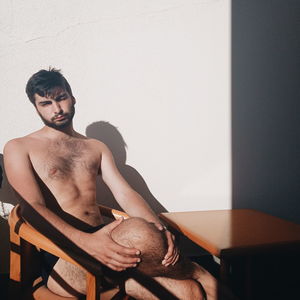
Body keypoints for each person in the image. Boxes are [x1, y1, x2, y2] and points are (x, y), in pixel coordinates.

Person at [4, 68, 217, 299]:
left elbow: (124, 193)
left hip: (107, 244)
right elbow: (32, 207)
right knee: (139, 232)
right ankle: (198, 271)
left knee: (190, 293)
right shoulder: (19, 147)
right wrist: (86, 243)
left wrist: (160, 229)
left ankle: (135, 283)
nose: (56, 109)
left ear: (72, 98)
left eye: (61, 98)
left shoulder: (95, 147)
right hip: (62, 253)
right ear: (36, 108)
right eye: (46, 103)